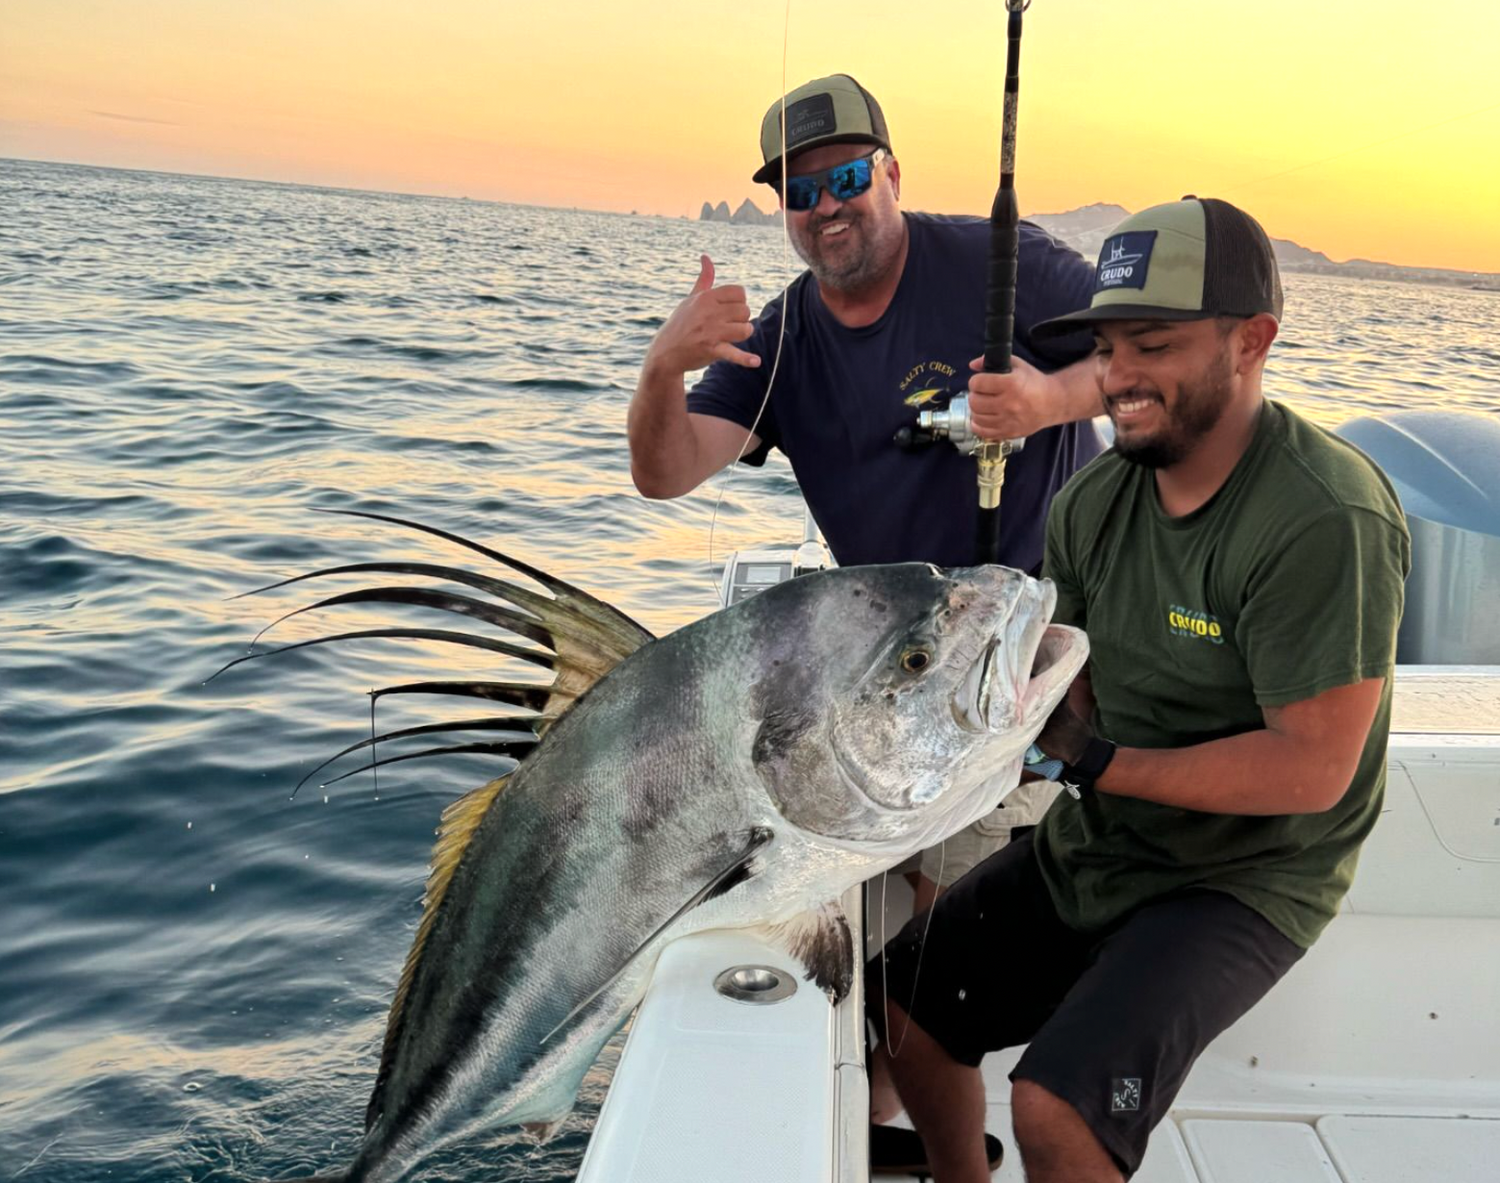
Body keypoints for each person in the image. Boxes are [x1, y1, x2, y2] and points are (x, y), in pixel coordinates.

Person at [868, 196, 1411, 1182]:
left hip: (1246, 876)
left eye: (1151, 344)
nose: (1116, 376)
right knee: (900, 1004)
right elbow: (1074, 686)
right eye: (1108, 345)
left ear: (1253, 341)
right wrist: (1015, 724)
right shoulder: (1089, 501)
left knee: (1057, 1108)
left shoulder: (1326, 516)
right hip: (1108, 835)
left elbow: (1312, 771)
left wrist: (1096, 758)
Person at [628, 73, 1104, 924]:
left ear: (892, 174)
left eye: (846, 178)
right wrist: (662, 368)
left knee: (930, 946)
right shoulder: (783, 338)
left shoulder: (1004, 263)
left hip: (1030, 665)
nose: (826, 206)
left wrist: (1049, 402)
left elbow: (1150, 355)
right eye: (801, 192)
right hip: (895, 685)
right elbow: (666, 471)